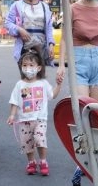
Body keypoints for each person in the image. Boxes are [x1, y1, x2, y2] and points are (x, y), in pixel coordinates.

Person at [6, 48, 63, 176]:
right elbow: (14, 101)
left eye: (31, 65)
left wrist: (58, 85)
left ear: (38, 68)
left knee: (40, 138)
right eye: (25, 65)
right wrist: (12, 115)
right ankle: (31, 162)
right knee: (27, 142)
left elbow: (52, 95)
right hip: (24, 120)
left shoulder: (43, 83)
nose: (28, 68)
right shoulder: (19, 85)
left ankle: (43, 161)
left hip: (39, 119)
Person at [4, 0, 55, 65]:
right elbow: (8, 23)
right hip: (24, 48)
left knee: (40, 76)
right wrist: (19, 29)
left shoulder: (44, 6)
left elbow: (49, 27)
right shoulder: (16, 5)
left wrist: (51, 44)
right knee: (27, 75)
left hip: (41, 48)